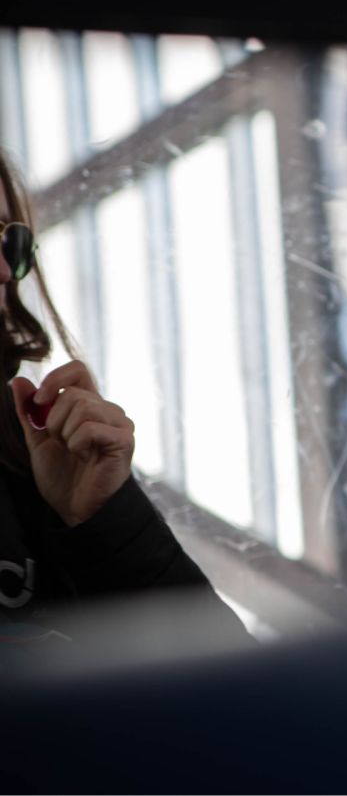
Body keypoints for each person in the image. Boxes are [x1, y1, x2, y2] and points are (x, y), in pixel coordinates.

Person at [0, 151, 247, 662]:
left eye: (10, 241)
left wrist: (103, 520)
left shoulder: (31, 449)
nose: (5, 271)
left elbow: (242, 689)